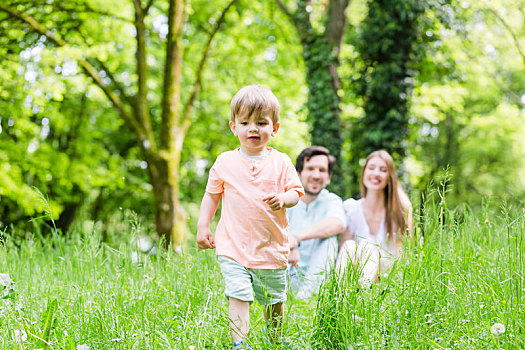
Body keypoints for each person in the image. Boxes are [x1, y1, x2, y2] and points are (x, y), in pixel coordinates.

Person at [196, 85, 304, 349]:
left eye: (261, 122)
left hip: (271, 246)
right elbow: (212, 196)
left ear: (274, 128)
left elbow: (296, 192)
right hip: (232, 246)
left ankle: (275, 342)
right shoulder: (224, 162)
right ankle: (239, 344)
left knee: (273, 300)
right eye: (245, 122)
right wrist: (203, 226)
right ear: (234, 127)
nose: (252, 128)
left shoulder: (281, 162)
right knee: (238, 293)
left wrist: (283, 200)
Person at [336, 150, 413, 287]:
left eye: (383, 170)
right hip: (355, 274)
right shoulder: (351, 208)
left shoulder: (399, 209)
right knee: (352, 245)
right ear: (364, 172)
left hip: (386, 276)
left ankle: (366, 298)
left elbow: (402, 254)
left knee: (368, 246)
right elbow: (345, 251)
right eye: (371, 168)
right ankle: (341, 295)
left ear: (390, 176)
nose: (376, 173)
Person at [287, 146, 347, 298]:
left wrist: (296, 238)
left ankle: (309, 295)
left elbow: (337, 223)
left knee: (329, 240)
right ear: (299, 174)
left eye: (322, 170)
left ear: (328, 178)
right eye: (310, 169)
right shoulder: (285, 200)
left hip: (316, 276)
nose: (316, 175)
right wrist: (288, 243)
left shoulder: (332, 200)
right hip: (284, 272)